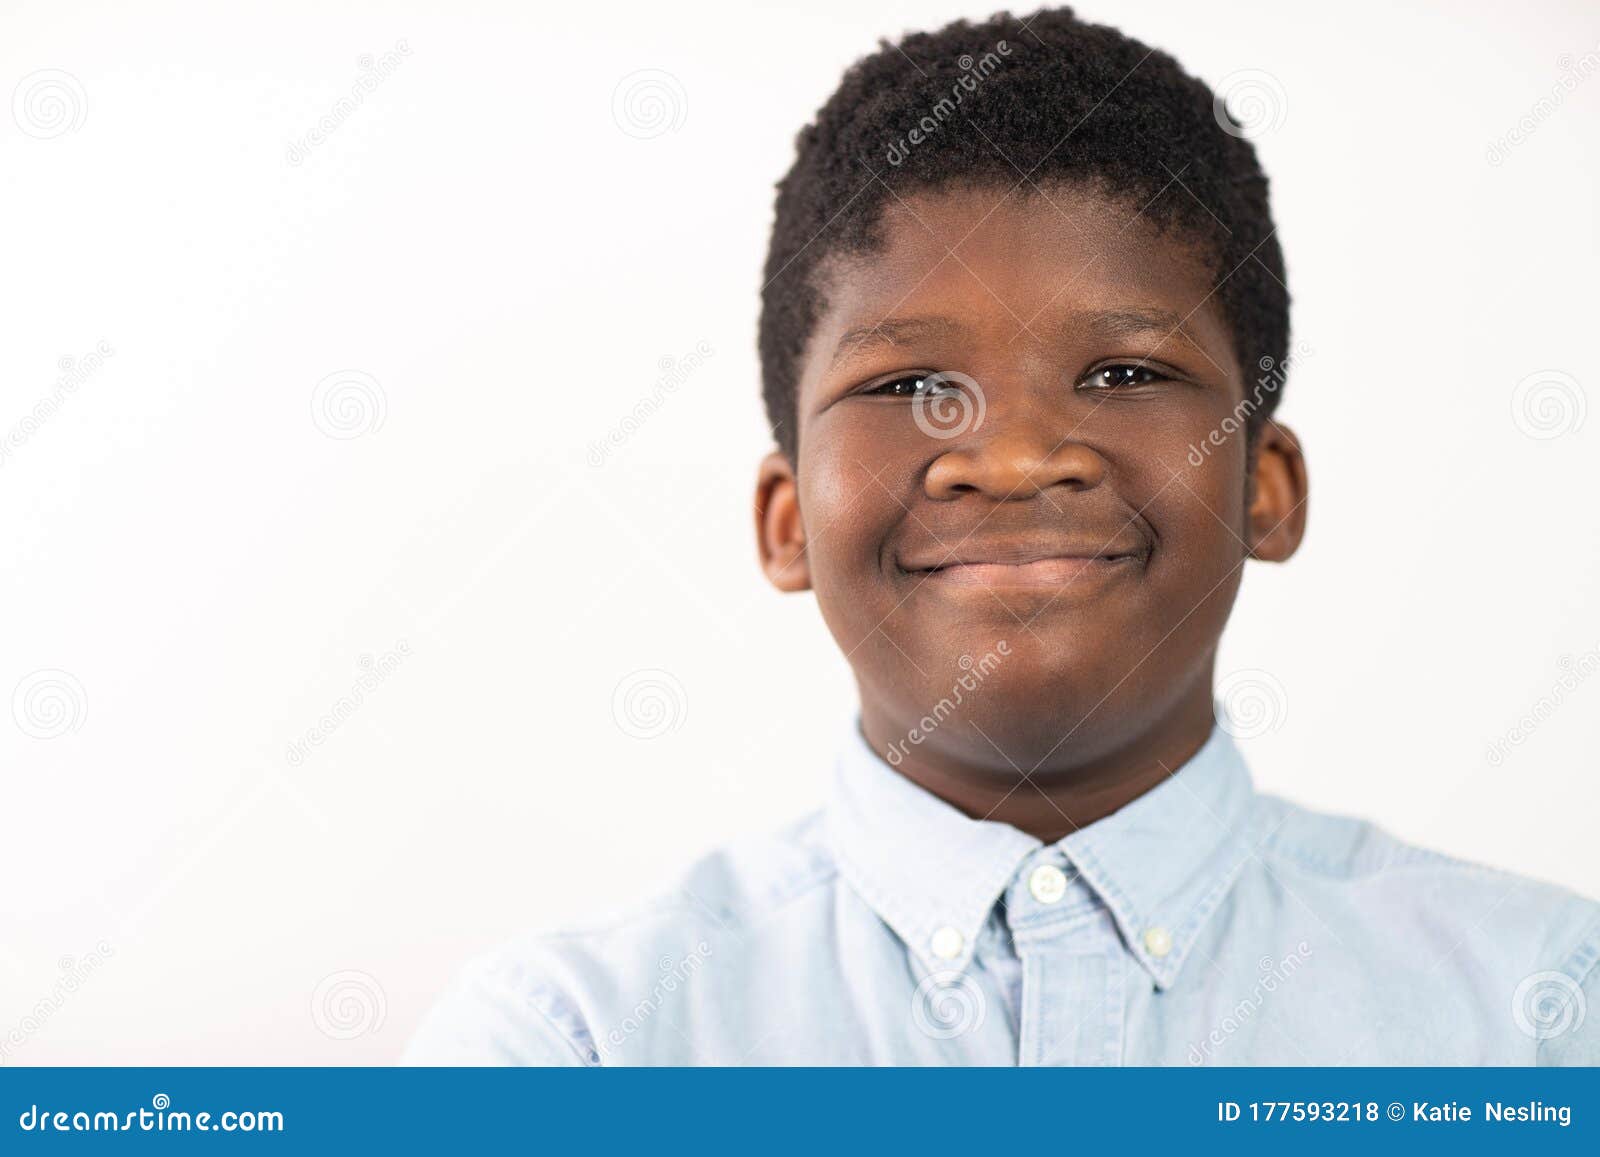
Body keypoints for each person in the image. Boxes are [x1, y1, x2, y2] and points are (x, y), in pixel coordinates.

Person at [406, 6, 1599, 1065]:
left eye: (1123, 370)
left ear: (1264, 487)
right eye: (908, 384)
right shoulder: (574, 1047)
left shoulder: (1538, 1013)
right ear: (786, 520)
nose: (1018, 455)